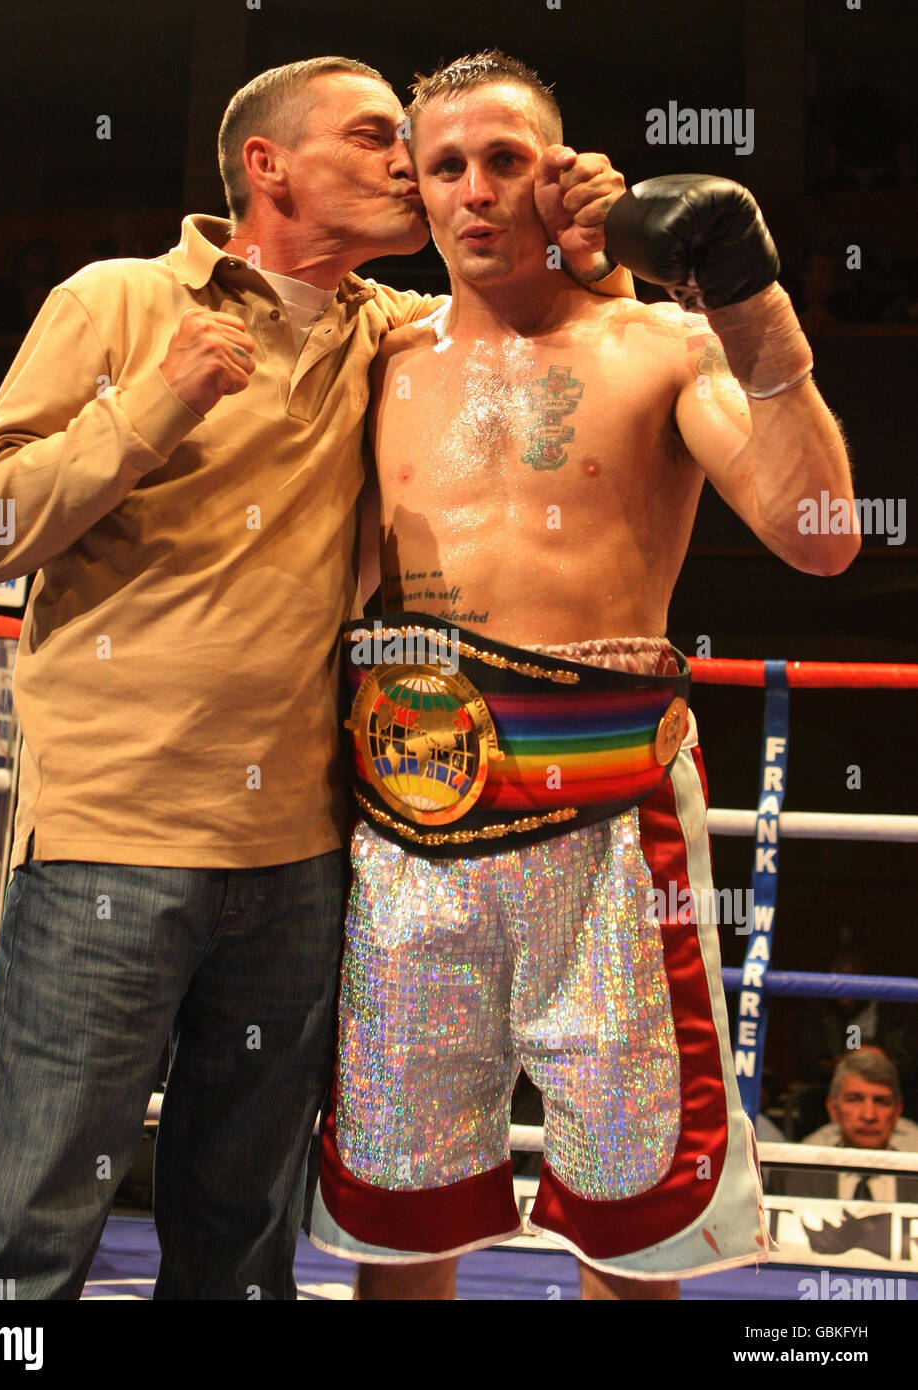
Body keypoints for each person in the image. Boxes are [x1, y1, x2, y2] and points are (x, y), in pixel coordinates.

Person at [0, 55, 627, 1300]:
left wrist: (589, 237)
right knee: (23, 1235)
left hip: (301, 855)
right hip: (111, 836)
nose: (409, 165)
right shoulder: (122, 302)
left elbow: (539, 320)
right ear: (270, 165)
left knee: (242, 1232)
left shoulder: (390, 331)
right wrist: (154, 404)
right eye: (375, 139)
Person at [308, 50, 860, 1300]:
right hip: (412, 815)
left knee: (630, 1211)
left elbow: (820, 533)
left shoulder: (661, 343)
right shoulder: (374, 353)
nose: (476, 190)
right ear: (419, 187)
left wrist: (748, 297)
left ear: (561, 173)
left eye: (506, 159)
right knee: (401, 1213)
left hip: (611, 823)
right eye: (445, 165)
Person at [770, 1051, 918, 1203]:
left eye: (881, 1102)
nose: (869, 1115)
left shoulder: (914, 1174)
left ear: (897, 1112)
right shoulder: (796, 1177)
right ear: (833, 1109)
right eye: (855, 1100)